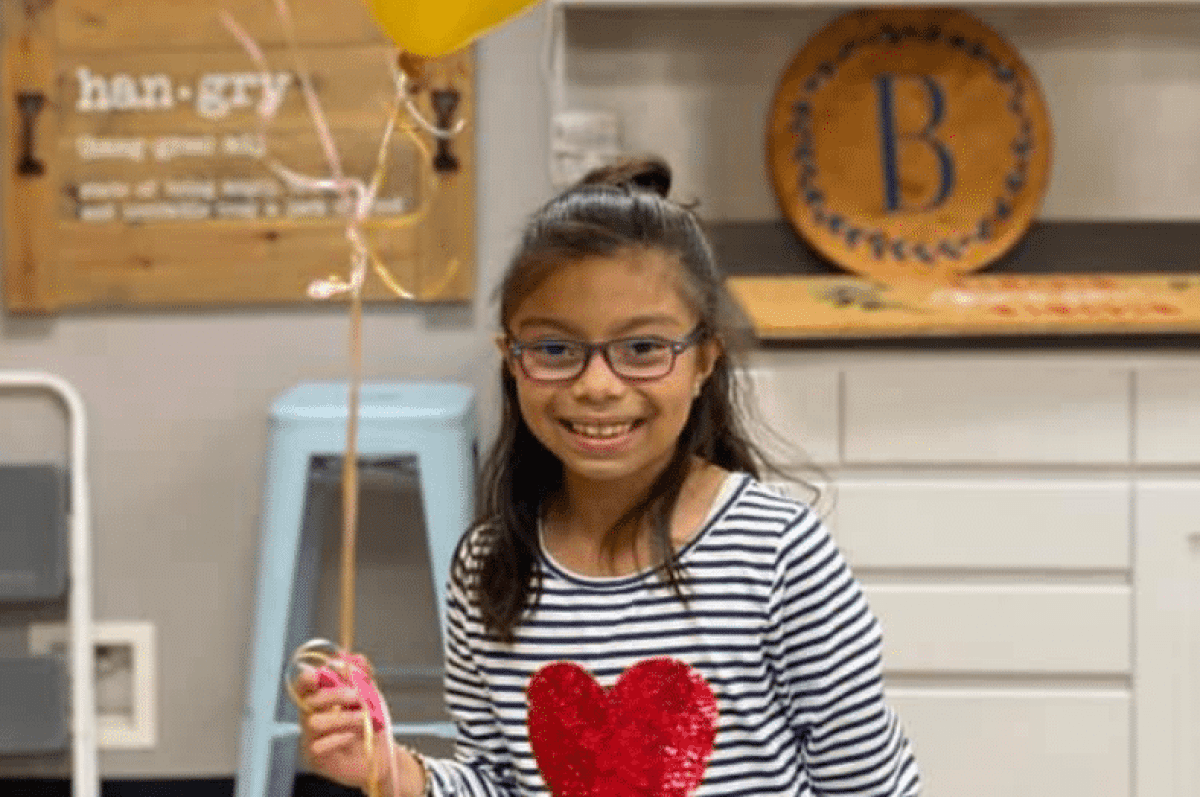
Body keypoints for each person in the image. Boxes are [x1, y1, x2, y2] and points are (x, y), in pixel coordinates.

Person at [296, 157, 921, 796]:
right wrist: (393, 772)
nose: (598, 386)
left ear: (705, 359)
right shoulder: (490, 569)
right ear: (511, 360)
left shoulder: (779, 553)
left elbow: (866, 784)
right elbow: (496, 782)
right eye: (555, 350)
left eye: (644, 349)